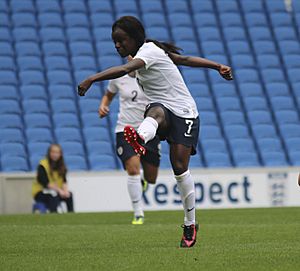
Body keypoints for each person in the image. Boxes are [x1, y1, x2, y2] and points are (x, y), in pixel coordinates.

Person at [78, 16, 233, 248]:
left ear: (134, 38)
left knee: (180, 169)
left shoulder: (148, 51)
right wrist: (216, 66)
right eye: (114, 42)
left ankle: (190, 223)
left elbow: (125, 69)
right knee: (155, 111)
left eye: (121, 41)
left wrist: (91, 79)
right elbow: (183, 59)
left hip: (185, 112)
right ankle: (140, 137)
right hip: (162, 109)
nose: (117, 46)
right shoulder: (153, 50)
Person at [99, 57, 160, 225]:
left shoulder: (152, 77)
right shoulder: (118, 76)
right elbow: (108, 95)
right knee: (133, 168)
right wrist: (103, 105)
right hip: (125, 130)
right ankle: (138, 213)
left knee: (152, 177)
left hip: (148, 130)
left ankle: (144, 181)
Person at [32, 144, 74, 213]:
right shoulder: (43, 165)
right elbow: (45, 183)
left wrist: (65, 191)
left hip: (56, 191)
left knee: (69, 195)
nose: (55, 155)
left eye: (57, 153)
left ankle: (71, 215)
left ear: (60, 154)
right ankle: (54, 215)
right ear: (49, 153)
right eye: (53, 152)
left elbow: (64, 181)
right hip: (41, 192)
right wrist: (59, 191)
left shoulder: (62, 166)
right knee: (54, 195)